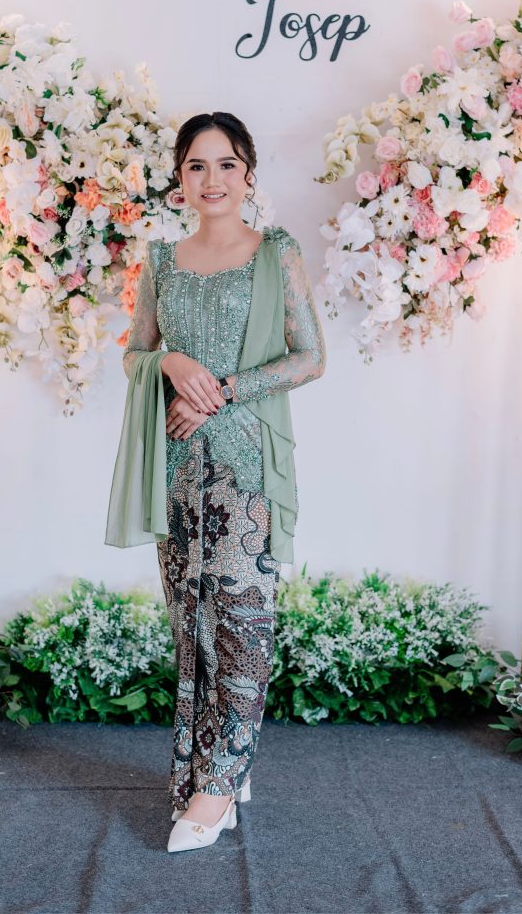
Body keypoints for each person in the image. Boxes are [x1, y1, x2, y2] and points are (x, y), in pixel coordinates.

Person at [119, 111, 327, 852]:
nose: (212, 180)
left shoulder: (276, 253)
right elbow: (135, 355)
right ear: (180, 179)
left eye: (227, 164)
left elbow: (310, 357)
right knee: (194, 630)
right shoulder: (162, 260)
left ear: (249, 174)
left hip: (246, 471)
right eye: (197, 166)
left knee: (243, 626)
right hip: (179, 473)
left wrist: (223, 391)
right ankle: (215, 772)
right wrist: (170, 364)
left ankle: (214, 787)